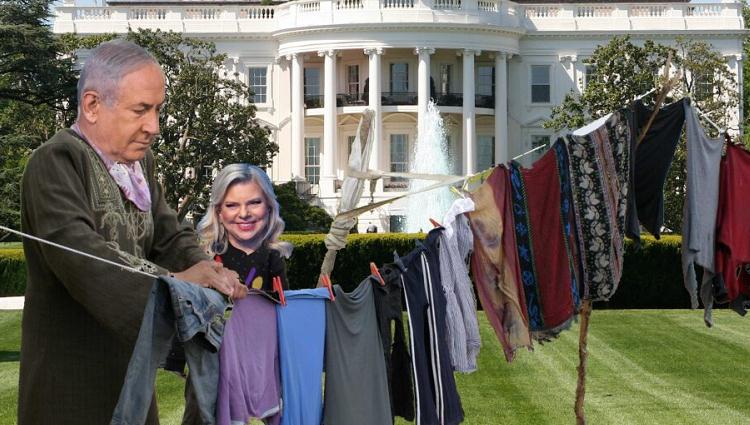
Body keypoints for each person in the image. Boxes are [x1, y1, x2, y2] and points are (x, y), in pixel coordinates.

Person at [17, 39, 246, 425]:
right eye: (141, 110)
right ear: (92, 105)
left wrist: (209, 271)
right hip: (70, 392)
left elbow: (169, 235)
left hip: (133, 387)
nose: (153, 127)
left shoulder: (139, 165)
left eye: (157, 110)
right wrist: (178, 285)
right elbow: (85, 261)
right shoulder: (56, 161)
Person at [198, 163, 292, 291]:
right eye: (232, 205)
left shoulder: (275, 257)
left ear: (269, 207)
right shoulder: (204, 260)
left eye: (254, 203)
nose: (244, 214)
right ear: (218, 212)